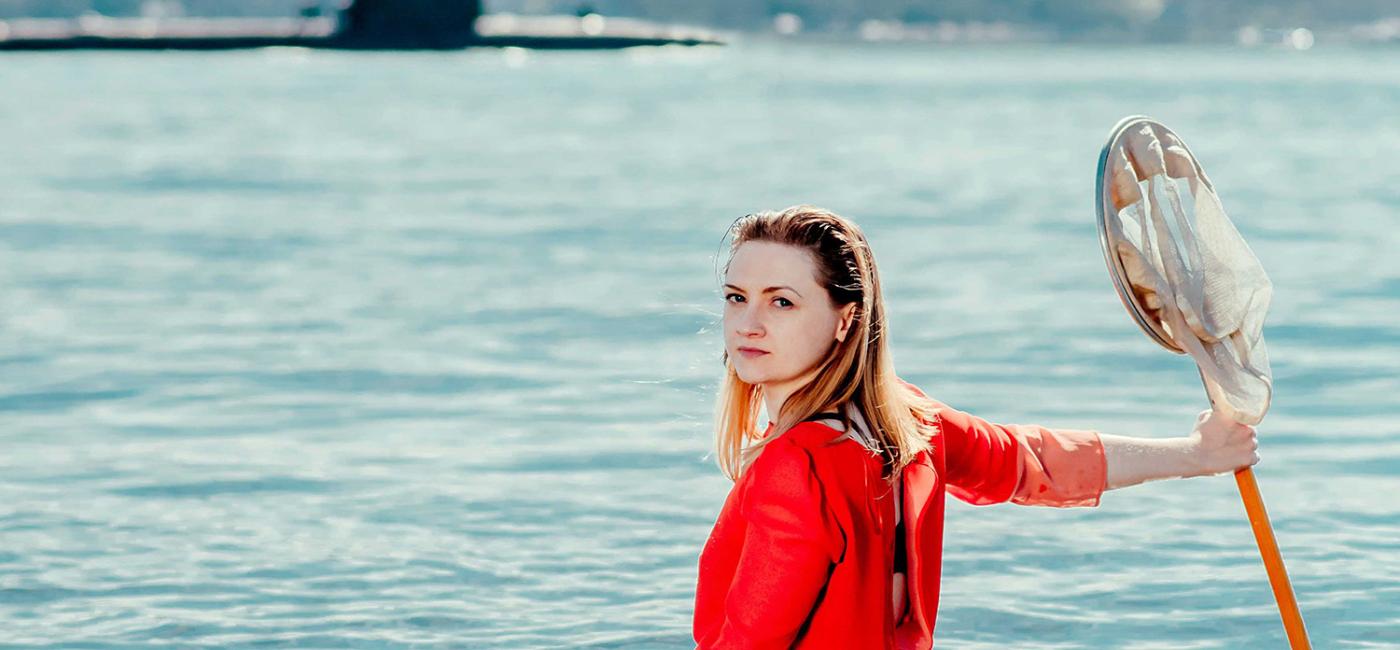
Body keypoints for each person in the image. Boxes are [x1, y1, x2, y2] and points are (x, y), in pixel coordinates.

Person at [692, 205, 1260, 649]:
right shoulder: (909, 425)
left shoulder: (796, 467)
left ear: (847, 318)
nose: (749, 323)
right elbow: (1032, 461)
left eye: (782, 302)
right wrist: (1198, 453)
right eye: (737, 298)